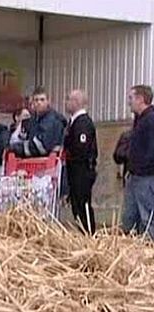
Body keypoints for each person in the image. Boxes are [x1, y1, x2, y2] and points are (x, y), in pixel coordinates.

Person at [122, 85, 154, 239]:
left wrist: (141, 167)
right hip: (135, 176)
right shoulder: (139, 120)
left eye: (131, 98)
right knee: (129, 218)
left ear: (141, 99)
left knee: (147, 217)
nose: (129, 102)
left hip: (145, 177)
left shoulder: (150, 120)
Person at [64, 89, 98, 235]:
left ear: (76, 102)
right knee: (76, 204)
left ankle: (89, 233)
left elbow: (81, 148)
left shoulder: (82, 123)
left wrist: (68, 154)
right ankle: (83, 231)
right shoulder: (73, 122)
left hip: (81, 171)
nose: (66, 103)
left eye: (69, 99)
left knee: (83, 204)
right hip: (75, 170)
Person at [10, 87, 65, 158]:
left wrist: (16, 148)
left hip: (49, 165)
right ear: (32, 102)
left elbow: (41, 146)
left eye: (42, 100)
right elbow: (20, 138)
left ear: (48, 101)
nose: (39, 103)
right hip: (32, 163)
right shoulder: (32, 120)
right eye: (36, 100)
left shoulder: (54, 121)